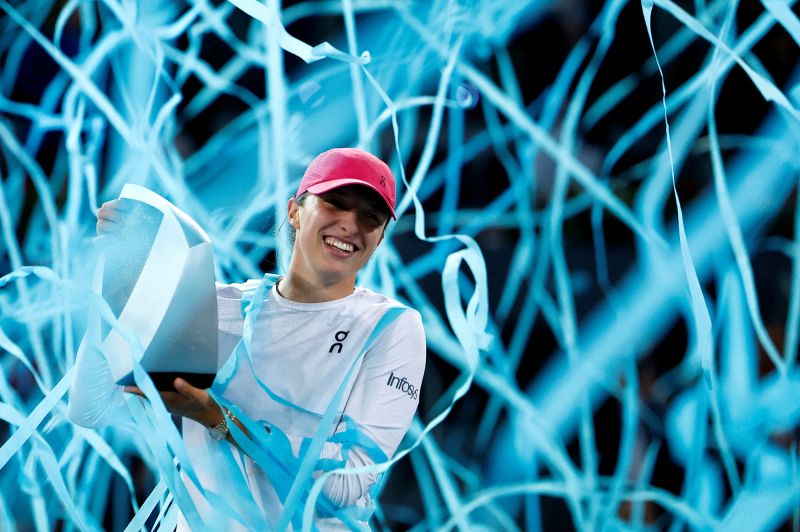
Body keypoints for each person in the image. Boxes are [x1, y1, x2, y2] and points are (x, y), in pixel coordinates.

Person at [68, 148, 427, 530]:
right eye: (334, 203)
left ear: (380, 238)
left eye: (370, 218)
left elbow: (346, 482)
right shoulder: (218, 306)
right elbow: (90, 409)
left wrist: (218, 419)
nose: (350, 225)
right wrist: (112, 283)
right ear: (295, 211)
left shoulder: (389, 327)